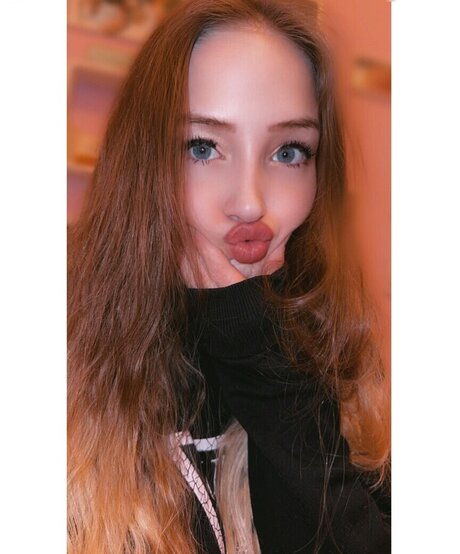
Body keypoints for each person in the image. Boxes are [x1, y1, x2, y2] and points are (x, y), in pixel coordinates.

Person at [67, 0, 391, 552]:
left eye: (289, 152)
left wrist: (265, 361)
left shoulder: (347, 361)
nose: (248, 202)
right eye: (203, 147)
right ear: (142, 160)